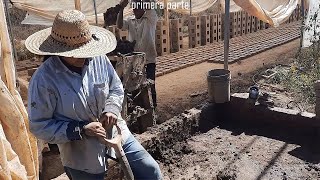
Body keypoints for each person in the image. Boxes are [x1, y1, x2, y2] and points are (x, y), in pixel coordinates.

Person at [26, 10, 162, 180]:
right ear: (60, 51)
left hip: (116, 134)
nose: (84, 56)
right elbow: (39, 125)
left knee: (151, 171)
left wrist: (111, 109)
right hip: (81, 153)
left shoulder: (98, 59)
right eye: (77, 53)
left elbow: (116, 87)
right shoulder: (44, 80)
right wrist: (80, 129)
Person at [117, 0, 158, 109]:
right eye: (133, 7)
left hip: (149, 59)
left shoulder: (150, 17)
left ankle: (153, 110)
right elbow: (119, 25)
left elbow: (149, 4)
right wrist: (121, 8)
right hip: (135, 61)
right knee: (134, 86)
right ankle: (139, 110)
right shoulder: (130, 20)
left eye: (137, 7)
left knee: (149, 86)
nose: (135, 9)